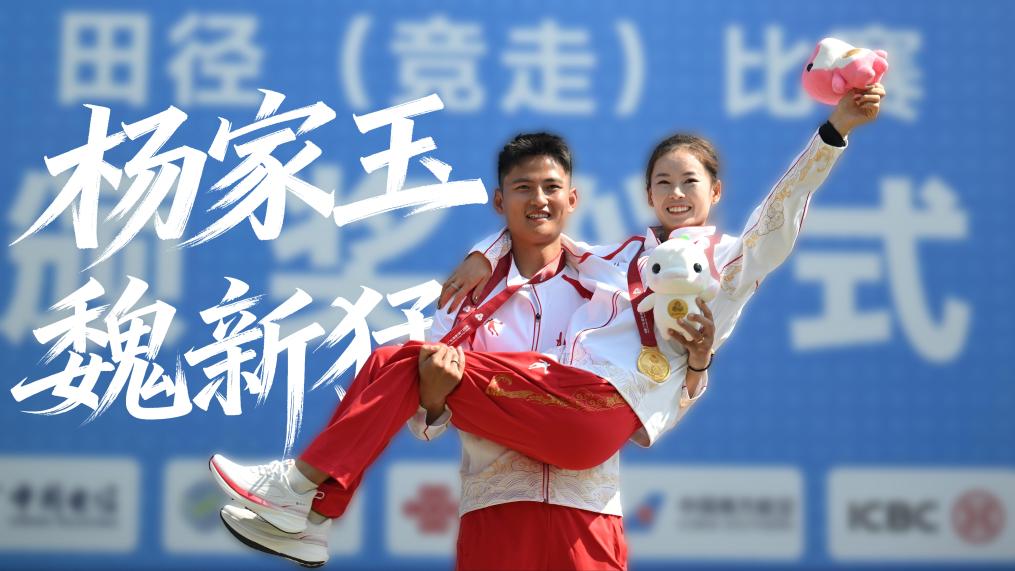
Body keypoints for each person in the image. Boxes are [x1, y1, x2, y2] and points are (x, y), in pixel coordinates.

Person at [430, 83, 887, 570]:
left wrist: (834, 131)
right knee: (410, 365)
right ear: (648, 194)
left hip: (589, 503)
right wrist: (487, 253)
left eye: (689, 181)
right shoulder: (612, 261)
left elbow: (781, 212)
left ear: (715, 191)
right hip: (496, 507)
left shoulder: (730, 262)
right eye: (663, 182)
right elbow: (541, 236)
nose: (676, 193)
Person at [210, 132, 713, 569]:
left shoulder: (615, 281)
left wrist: (698, 363)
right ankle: (306, 507)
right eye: (523, 188)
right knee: (404, 365)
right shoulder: (464, 300)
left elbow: (652, 385)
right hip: (496, 512)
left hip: (588, 515)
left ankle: (308, 503)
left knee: (394, 361)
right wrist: (433, 398)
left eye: (551, 187)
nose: (539, 200)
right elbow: (423, 419)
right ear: (500, 201)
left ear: (573, 198)